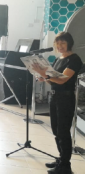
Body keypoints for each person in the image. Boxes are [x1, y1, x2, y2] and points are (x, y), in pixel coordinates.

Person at [32, 32, 83, 174]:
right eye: (58, 43)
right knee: (56, 131)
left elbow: (62, 80)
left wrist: (43, 74)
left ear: (69, 44)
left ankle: (65, 166)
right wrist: (44, 78)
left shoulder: (74, 59)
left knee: (63, 131)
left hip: (65, 99)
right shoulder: (59, 59)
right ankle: (61, 159)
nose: (60, 46)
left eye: (63, 43)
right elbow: (52, 79)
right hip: (54, 97)